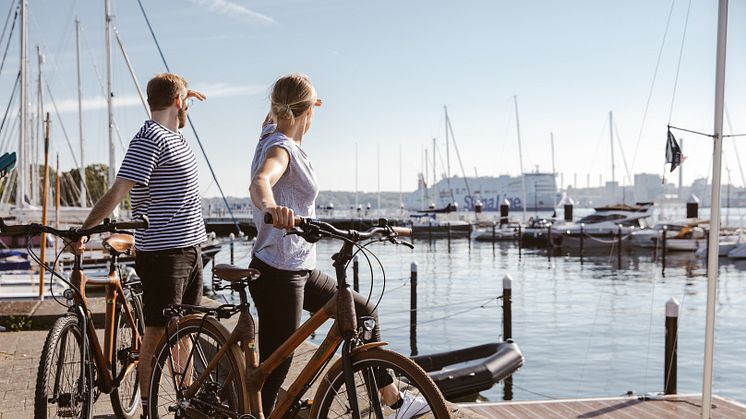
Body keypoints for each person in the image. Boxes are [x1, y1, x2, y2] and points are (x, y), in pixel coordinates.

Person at [248, 73, 431, 418]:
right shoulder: (280, 147)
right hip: (278, 270)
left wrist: (302, 101)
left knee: (363, 312)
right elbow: (261, 180)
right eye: (313, 105)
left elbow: (279, 110)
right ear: (310, 111)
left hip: (299, 265)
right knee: (277, 362)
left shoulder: (271, 130)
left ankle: (395, 400)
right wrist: (271, 207)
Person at [74, 73, 206, 418]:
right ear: (176, 101)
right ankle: (149, 411)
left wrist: (183, 101)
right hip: (164, 253)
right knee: (156, 335)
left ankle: (183, 406)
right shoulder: (149, 138)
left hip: (191, 248)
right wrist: (84, 230)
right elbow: (119, 190)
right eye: (182, 101)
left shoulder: (174, 136)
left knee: (186, 331)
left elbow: (178, 124)